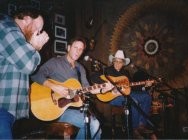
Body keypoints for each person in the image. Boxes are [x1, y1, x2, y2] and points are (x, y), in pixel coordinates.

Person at [31, 37, 113, 139]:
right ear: (68, 48)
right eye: (75, 47)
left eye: (81, 49)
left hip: (75, 107)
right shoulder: (55, 62)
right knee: (94, 125)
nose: (78, 51)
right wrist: (54, 87)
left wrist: (102, 89)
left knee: (97, 129)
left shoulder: (81, 68)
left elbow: (87, 88)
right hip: (56, 109)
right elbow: (34, 75)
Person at [0, 8, 49, 139]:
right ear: (26, 19)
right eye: (38, 28)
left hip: (6, 111)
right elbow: (28, 64)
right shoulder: (8, 27)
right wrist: (36, 47)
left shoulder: (18, 38)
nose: (37, 33)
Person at [91, 50, 156, 139]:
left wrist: (145, 86)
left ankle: (141, 125)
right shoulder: (106, 70)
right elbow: (93, 77)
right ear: (113, 61)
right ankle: (134, 130)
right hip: (113, 97)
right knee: (133, 100)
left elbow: (131, 87)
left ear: (123, 63)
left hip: (126, 94)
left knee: (146, 96)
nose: (118, 64)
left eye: (120, 62)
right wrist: (108, 84)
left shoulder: (125, 73)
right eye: (116, 61)